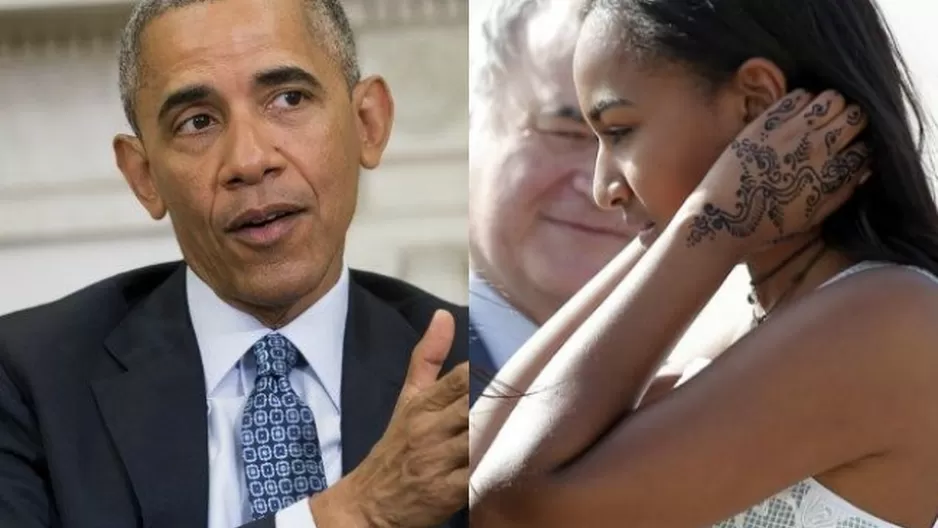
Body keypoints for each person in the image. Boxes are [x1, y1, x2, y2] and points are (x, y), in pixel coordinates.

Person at [469, 0, 938, 526]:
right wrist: (703, 224)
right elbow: (473, 462)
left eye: (619, 131)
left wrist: (713, 219)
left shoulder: (888, 320)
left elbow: (513, 508)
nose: (604, 189)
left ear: (757, 104)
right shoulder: (731, 314)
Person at [0, 1, 468, 527]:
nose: (248, 160)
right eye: (197, 122)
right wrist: (351, 514)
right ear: (144, 176)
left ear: (367, 123)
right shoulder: (26, 383)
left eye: (288, 99)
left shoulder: (480, 373)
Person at [468, 0, 750, 404]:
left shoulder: (721, 381)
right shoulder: (415, 360)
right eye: (566, 132)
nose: (601, 187)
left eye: (638, 140)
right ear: (475, 121)